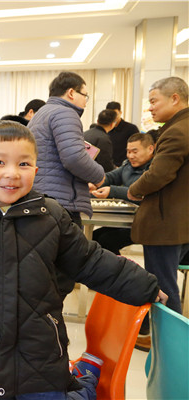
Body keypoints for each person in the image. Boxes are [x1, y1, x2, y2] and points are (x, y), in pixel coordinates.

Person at [0, 121, 167, 400]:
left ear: (36, 170)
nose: (12, 173)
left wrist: (146, 286)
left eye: (23, 164)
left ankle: (84, 385)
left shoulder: (51, 215)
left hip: (41, 360)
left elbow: (89, 260)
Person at [128, 77, 189, 350]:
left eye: (154, 101)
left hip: (165, 222)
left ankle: (169, 345)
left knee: (163, 286)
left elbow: (158, 175)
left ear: (174, 98)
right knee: (167, 283)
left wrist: (134, 190)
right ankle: (164, 338)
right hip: (179, 221)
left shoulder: (176, 132)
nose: (150, 108)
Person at [28, 72, 105, 229]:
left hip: (42, 198)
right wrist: (99, 176)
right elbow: (74, 158)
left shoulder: (41, 114)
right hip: (61, 205)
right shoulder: (65, 113)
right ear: (71, 92)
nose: (85, 103)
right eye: (85, 96)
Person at [89, 133, 154, 254]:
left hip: (145, 222)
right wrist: (95, 183)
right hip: (125, 217)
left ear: (150, 149)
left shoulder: (154, 169)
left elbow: (140, 192)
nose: (131, 156)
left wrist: (112, 191)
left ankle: (119, 265)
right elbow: (111, 177)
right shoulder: (128, 165)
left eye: (135, 152)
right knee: (94, 238)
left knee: (106, 241)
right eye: (128, 152)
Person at [105, 101, 140, 167]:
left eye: (115, 114)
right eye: (110, 114)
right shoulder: (106, 129)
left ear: (120, 112)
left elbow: (137, 148)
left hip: (126, 166)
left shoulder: (131, 128)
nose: (113, 117)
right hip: (109, 166)